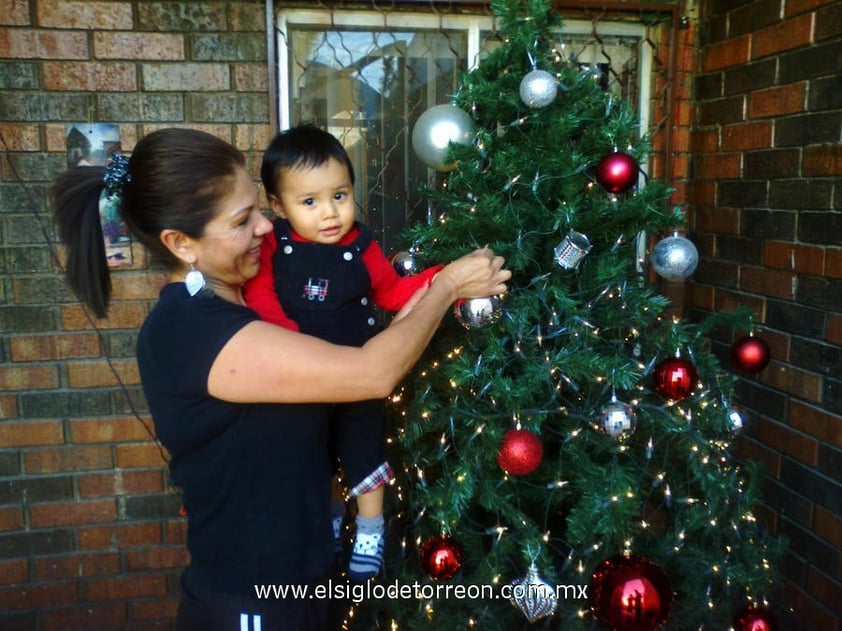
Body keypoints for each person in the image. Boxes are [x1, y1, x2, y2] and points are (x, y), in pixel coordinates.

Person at [49, 127, 509, 631]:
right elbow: (373, 373)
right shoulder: (191, 331)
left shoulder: (255, 306)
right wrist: (445, 286)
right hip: (252, 602)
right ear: (182, 244)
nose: (268, 229)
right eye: (243, 220)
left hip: (302, 585)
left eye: (260, 211)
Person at [243, 125, 443, 581]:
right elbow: (262, 297)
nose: (330, 213)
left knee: (362, 450)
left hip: (359, 376)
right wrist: (292, 345)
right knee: (312, 456)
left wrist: (439, 278)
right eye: (309, 202)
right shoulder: (274, 244)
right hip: (300, 380)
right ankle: (328, 521)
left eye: (340, 195)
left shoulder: (363, 245)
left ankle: (371, 528)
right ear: (278, 206)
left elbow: (393, 292)